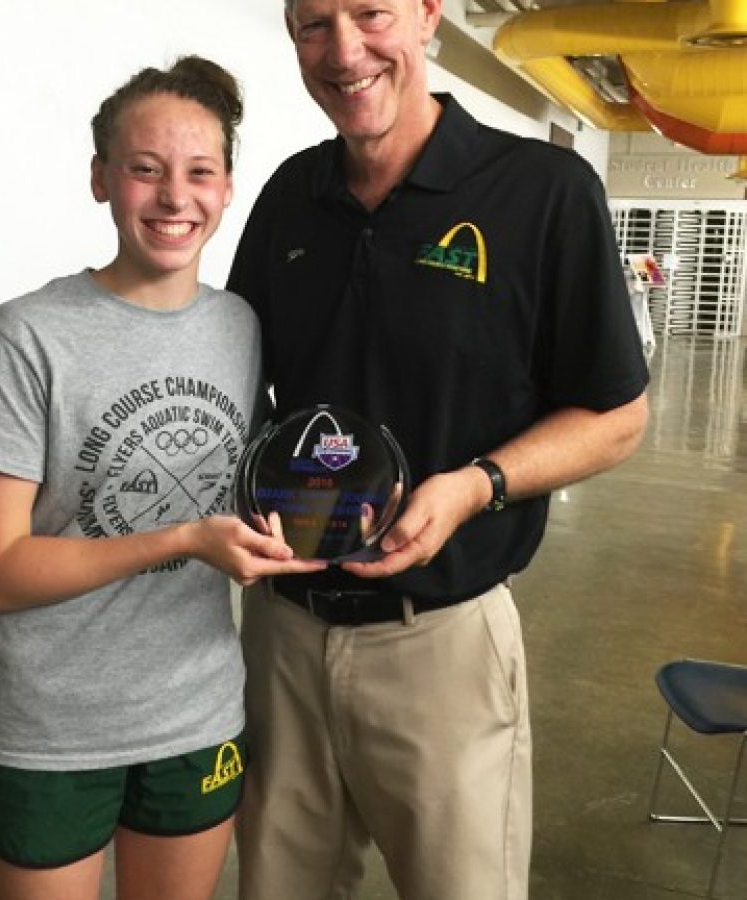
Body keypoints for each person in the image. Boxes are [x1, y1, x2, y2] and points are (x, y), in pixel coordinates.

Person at [226, 2, 651, 899]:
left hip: (441, 647)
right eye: (312, 23)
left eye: (370, 12)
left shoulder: (542, 192)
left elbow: (618, 416)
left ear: (427, 16)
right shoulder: (287, 198)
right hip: (283, 639)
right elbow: (239, 393)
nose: (343, 51)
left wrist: (476, 485)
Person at [0, 56, 322, 900]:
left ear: (228, 189)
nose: (173, 198)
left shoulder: (241, 327)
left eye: (200, 173)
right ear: (100, 179)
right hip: (49, 726)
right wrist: (185, 537)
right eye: (144, 170)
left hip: (195, 713)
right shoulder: (26, 337)